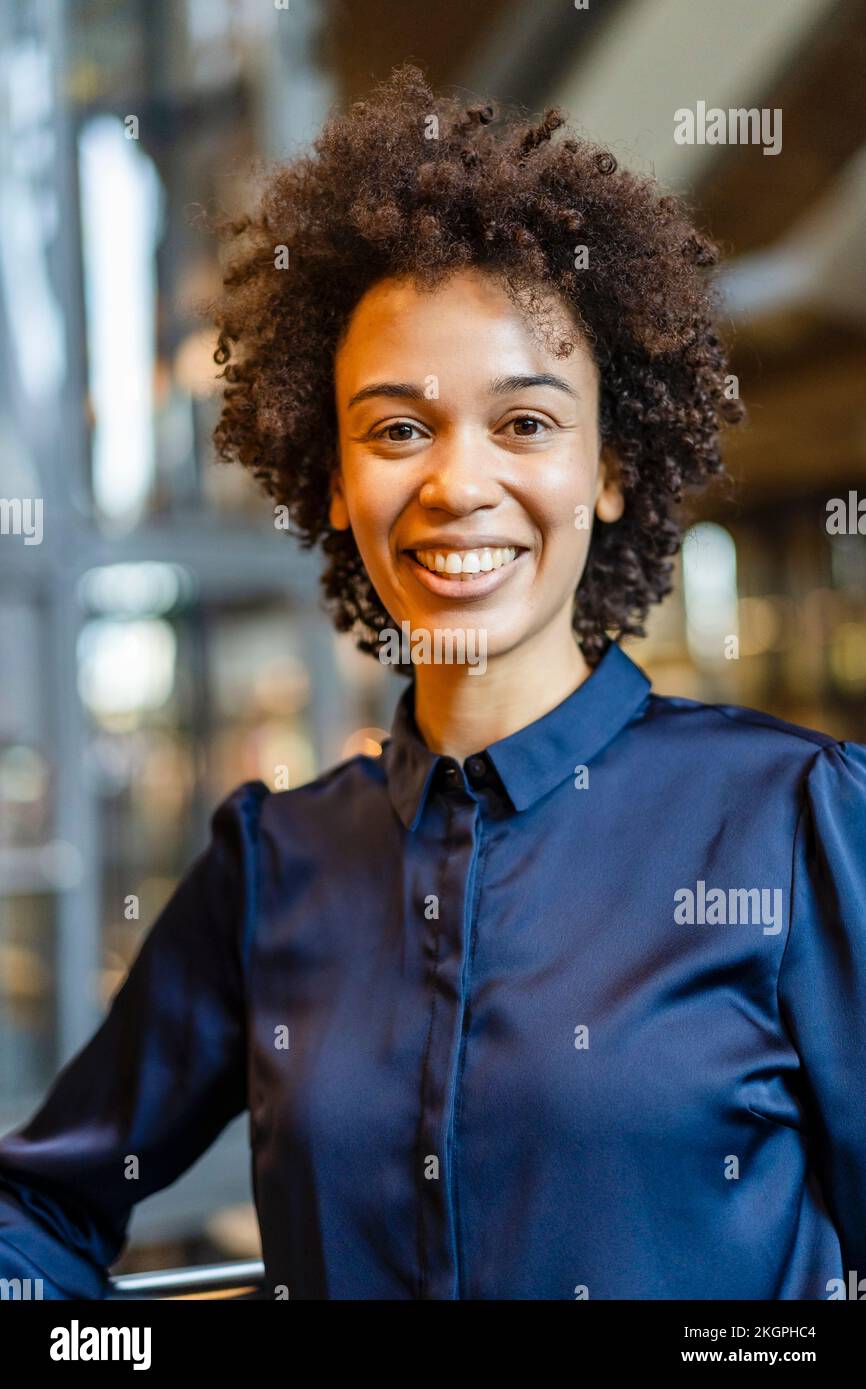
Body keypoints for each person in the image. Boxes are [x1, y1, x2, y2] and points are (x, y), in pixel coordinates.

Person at [2, 64, 865, 1301]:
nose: (456, 483)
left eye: (523, 423)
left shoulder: (794, 823)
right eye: (396, 428)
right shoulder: (270, 867)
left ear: (609, 470)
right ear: (333, 481)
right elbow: (37, 1203)